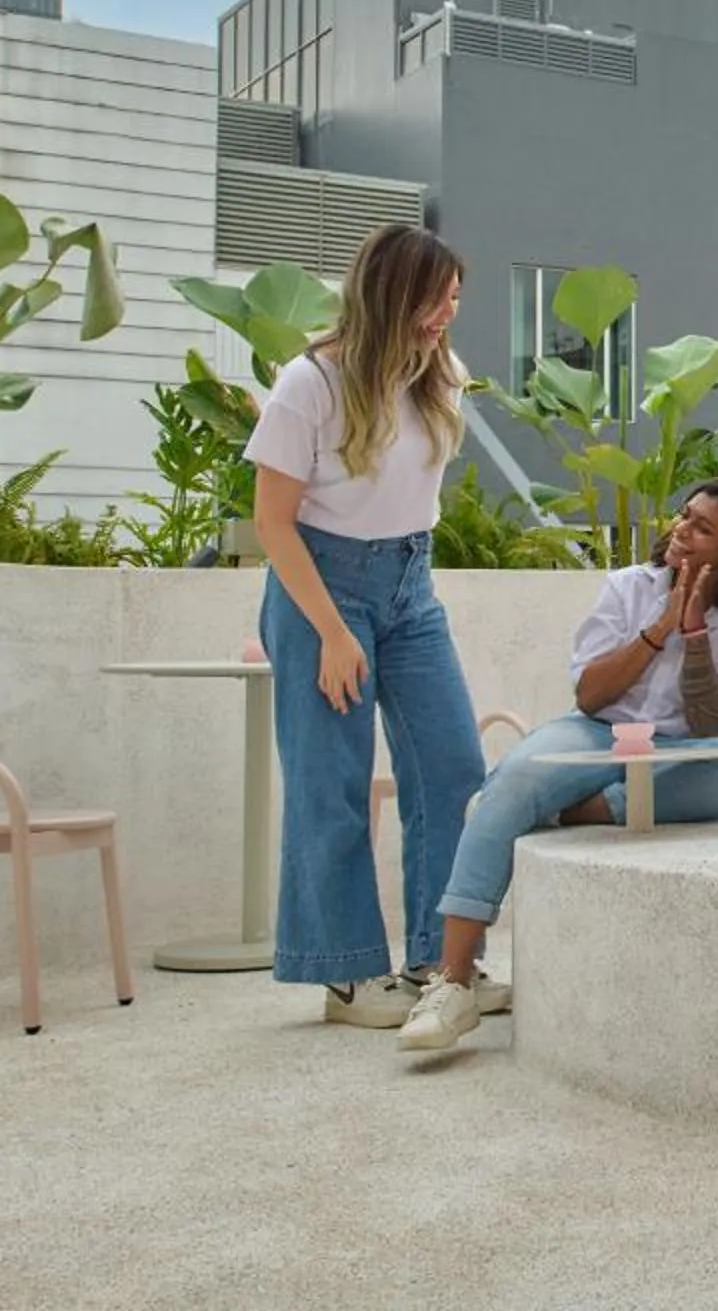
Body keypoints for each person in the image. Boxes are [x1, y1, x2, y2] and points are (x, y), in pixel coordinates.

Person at [398, 480, 718, 1053]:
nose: (682, 530)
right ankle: (453, 981)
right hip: (596, 730)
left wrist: (695, 629)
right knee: (515, 779)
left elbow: (709, 727)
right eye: (684, 516)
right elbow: (590, 695)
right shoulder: (628, 587)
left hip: (676, 749)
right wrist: (660, 628)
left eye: (703, 527)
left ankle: (575, 810)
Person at [246, 223, 490, 1028]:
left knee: (452, 768)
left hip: (411, 585)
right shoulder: (310, 383)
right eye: (435, 299)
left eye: (454, 299)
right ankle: (345, 975)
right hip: (321, 586)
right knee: (331, 783)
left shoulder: (438, 376)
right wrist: (331, 632)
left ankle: (441, 963)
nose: (447, 315)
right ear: (392, 294)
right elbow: (273, 523)